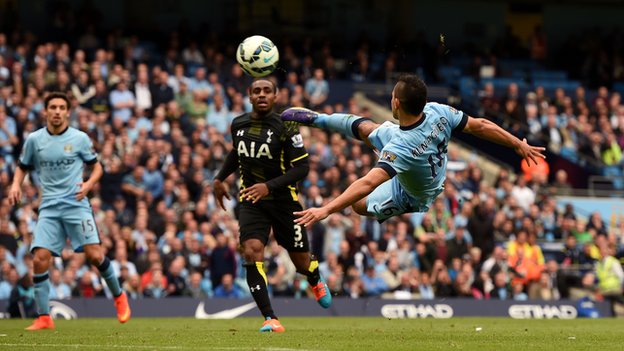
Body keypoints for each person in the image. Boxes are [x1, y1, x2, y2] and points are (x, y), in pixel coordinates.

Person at [281, 74, 546, 227]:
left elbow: (367, 183)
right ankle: (317, 118)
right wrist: (517, 143)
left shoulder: (401, 148)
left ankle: (321, 121)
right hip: (413, 150)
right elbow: (481, 125)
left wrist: (325, 209)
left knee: (358, 206)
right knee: (367, 129)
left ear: (396, 103)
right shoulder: (437, 111)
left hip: (413, 195)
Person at [212, 78, 331, 333]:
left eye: (267, 91)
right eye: (257, 91)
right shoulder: (239, 124)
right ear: (249, 96)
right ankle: (270, 318)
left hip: (284, 202)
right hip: (252, 201)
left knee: (301, 263)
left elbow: (302, 168)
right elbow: (237, 153)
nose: (262, 95)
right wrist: (220, 178)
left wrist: (269, 186)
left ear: (276, 96)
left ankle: (314, 277)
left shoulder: (286, 126)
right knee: (252, 250)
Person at [8, 92, 131, 330]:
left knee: (95, 255)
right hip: (49, 207)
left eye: (61, 107)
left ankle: (119, 296)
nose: (56, 111)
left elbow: (97, 169)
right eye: (52, 107)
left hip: (76, 204)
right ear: (45, 111)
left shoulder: (80, 138)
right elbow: (22, 167)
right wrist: (15, 185)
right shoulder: (35, 140)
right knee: (40, 259)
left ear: (67, 112)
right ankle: (44, 317)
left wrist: (88, 185)